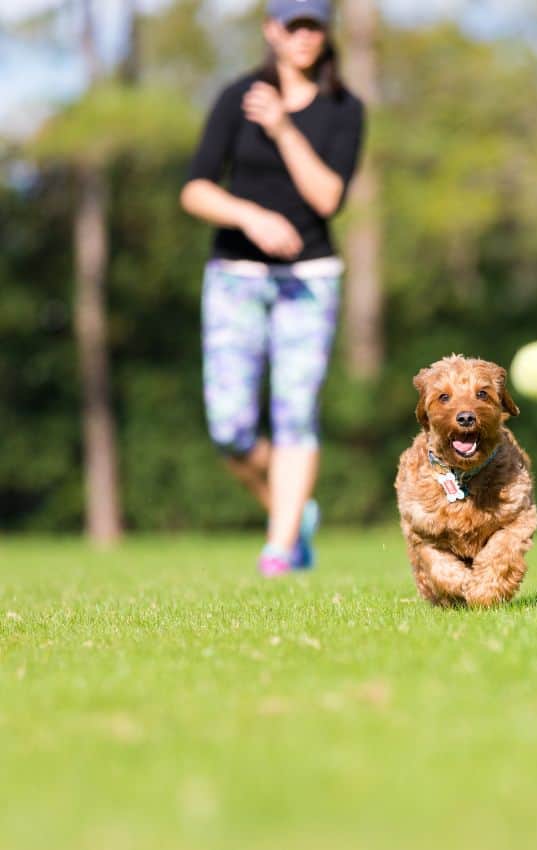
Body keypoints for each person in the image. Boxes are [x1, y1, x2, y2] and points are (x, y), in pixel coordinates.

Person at [180, 0, 364, 576]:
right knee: (231, 428)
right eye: (293, 25)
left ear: (325, 31)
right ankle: (291, 512)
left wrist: (284, 128)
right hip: (235, 277)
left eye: (314, 24)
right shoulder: (237, 96)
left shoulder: (344, 108)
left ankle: (280, 548)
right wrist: (247, 215)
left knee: (295, 415)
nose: (305, 35)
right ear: (271, 31)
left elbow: (328, 198)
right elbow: (195, 190)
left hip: (309, 280)